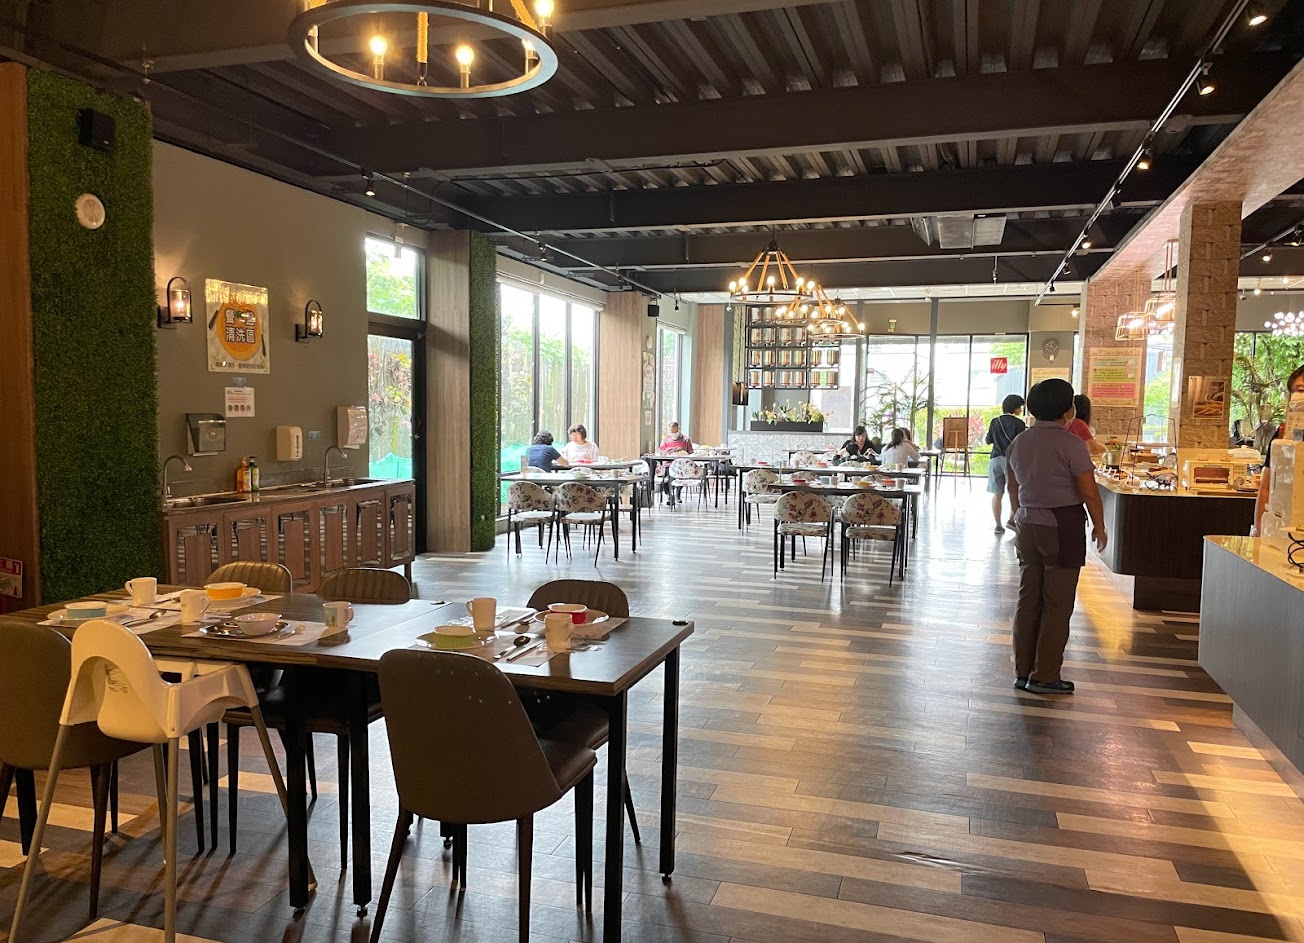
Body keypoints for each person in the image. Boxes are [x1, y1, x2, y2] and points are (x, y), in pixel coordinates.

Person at [1005, 379, 1108, 696]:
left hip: (1027, 524)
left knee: (1028, 599)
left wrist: (1018, 513)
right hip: (1061, 526)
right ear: (1068, 410)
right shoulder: (1071, 444)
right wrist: (1099, 526)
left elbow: (1012, 487)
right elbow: (1088, 491)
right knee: (1057, 604)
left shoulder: (1019, 442)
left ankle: (1023, 671)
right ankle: (1045, 675)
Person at [1255, 364, 1304, 533]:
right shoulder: (1282, 435)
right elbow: (1266, 487)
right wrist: (1258, 532)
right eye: (1299, 390)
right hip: (1284, 524)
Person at [985, 394, 1027, 534]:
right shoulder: (1019, 424)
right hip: (1011, 461)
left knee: (997, 494)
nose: (1021, 410)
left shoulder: (995, 421)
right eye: (1020, 407)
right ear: (1015, 408)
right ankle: (1011, 520)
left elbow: (988, 440)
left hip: (995, 459)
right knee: (1013, 491)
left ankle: (998, 525)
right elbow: (1021, 444)